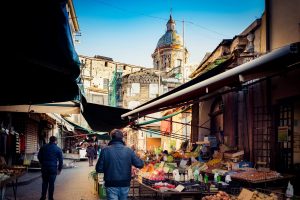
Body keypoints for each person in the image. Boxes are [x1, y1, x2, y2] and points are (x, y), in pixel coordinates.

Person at [96, 129, 144, 200]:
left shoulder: (105, 150)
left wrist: (108, 168)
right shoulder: (129, 150)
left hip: (111, 184)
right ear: (122, 138)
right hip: (125, 184)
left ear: (111, 138)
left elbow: (99, 169)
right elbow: (140, 164)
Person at [38, 136, 63, 200]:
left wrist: (42, 163)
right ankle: (50, 198)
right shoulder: (58, 149)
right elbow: (61, 160)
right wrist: (59, 169)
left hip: (44, 168)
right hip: (53, 168)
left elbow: (39, 156)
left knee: (45, 182)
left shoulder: (43, 147)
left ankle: (43, 197)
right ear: (55, 141)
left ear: (49, 140)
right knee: (51, 184)